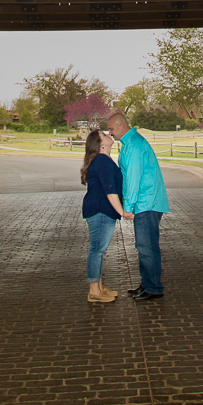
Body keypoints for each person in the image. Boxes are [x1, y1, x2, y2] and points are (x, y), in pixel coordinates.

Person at [106, 110, 170, 301]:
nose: (110, 133)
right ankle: (148, 284)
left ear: (120, 126)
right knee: (145, 246)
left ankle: (153, 288)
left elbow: (133, 178)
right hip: (147, 201)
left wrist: (128, 206)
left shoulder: (133, 145)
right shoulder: (130, 143)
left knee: (146, 246)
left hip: (146, 202)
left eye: (111, 129)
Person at [80, 127, 133, 304]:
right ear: (100, 144)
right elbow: (110, 191)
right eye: (104, 135)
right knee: (97, 250)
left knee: (99, 250)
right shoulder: (102, 161)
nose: (108, 134)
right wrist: (123, 212)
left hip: (102, 210)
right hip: (99, 210)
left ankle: (99, 288)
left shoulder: (104, 160)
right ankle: (94, 291)